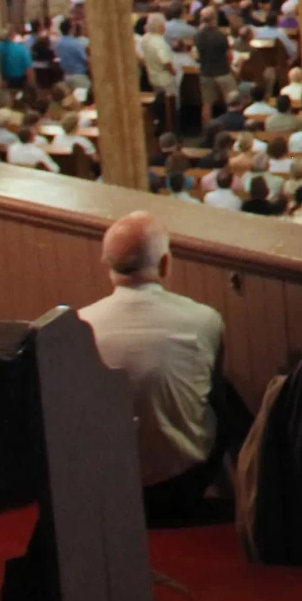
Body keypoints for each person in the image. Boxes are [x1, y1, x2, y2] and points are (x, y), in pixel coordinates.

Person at [76, 213, 229, 520]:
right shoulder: (204, 320)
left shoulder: (79, 325)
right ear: (164, 264)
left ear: (106, 265)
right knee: (223, 396)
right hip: (180, 484)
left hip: (105, 487)